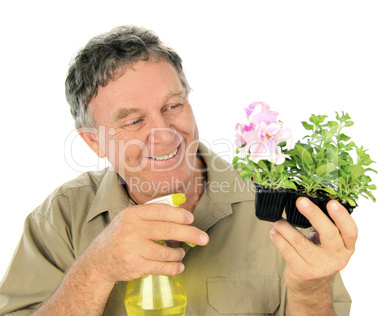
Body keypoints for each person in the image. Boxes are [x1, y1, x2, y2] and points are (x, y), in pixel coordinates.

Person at [0, 26, 357, 315]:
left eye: (173, 105)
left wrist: (311, 291)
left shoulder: (274, 202)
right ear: (93, 141)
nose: (165, 133)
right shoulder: (60, 218)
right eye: (135, 120)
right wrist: (96, 269)